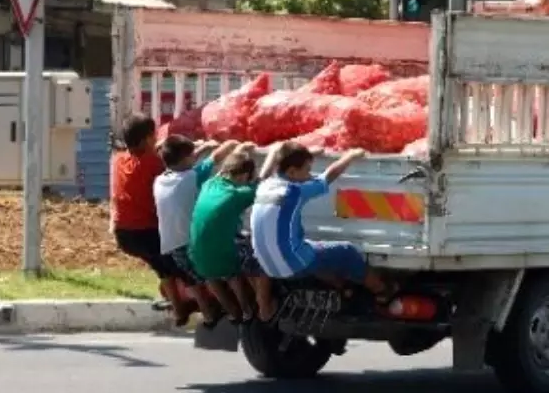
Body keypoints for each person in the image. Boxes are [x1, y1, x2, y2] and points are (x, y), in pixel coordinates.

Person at [250, 142, 396, 302]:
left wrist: (304, 155)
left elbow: (279, 159)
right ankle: (382, 290)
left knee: (314, 250)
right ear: (291, 171)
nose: (309, 175)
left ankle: (344, 287)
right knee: (347, 250)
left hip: (265, 265)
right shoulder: (294, 192)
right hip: (291, 265)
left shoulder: (264, 185)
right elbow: (328, 176)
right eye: (306, 170)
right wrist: (351, 156)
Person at [155, 134, 241, 326]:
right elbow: (217, 157)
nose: (195, 158)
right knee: (213, 274)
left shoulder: (160, 180)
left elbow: (182, 160)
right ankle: (234, 311)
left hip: (170, 244)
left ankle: (209, 315)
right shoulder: (191, 177)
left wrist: (199, 149)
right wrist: (233, 144)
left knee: (193, 279)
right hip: (192, 241)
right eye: (192, 155)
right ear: (186, 159)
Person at [189, 145, 278, 323]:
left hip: (196, 257)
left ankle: (233, 312)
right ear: (244, 176)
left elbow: (224, 171)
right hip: (222, 261)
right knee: (243, 265)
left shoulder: (209, 184)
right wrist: (274, 154)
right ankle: (248, 309)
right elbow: (262, 179)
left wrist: (239, 151)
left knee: (211, 274)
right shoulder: (237, 194)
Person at [109, 114, 177, 309]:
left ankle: (169, 296)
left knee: (159, 263)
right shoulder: (154, 164)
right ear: (148, 139)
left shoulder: (118, 160)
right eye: (153, 136)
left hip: (123, 233)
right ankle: (177, 304)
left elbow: (139, 161)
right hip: (145, 231)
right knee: (173, 265)